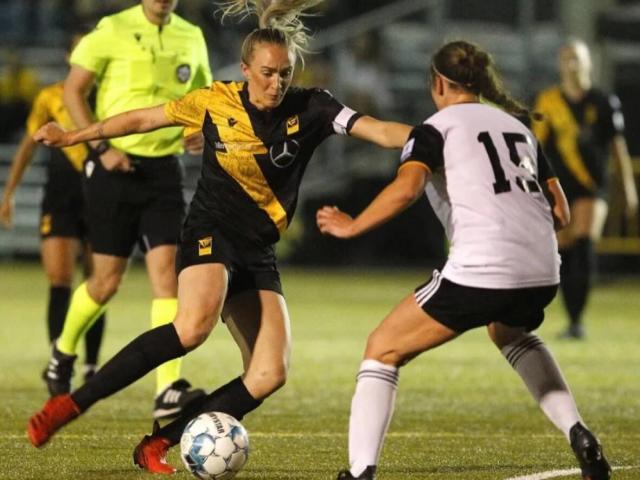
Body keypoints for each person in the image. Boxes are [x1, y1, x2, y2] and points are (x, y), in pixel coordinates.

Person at [26, 0, 412, 474]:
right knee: (192, 327)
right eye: (267, 73)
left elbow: (380, 130)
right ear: (246, 68)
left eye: (285, 74)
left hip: (258, 249)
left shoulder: (313, 106)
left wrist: (436, 136)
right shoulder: (215, 99)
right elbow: (144, 118)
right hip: (211, 231)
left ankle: (158, 443)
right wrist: (76, 137)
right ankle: (69, 405)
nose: (276, 84)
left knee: (270, 374)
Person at [316, 40, 612, 480]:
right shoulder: (519, 128)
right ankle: (580, 435)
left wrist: (352, 225)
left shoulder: (434, 130)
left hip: (483, 267)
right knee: (508, 331)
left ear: (437, 82)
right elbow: (562, 212)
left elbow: (407, 188)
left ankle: (360, 473)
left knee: (382, 349)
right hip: (544, 268)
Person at [41, 0, 213, 420]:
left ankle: (166, 389)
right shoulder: (111, 28)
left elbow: (203, 100)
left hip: (164, 173)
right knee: (105, 283)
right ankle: (62, 353)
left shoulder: (191, 35)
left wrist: (197, 132)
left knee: (167, 277)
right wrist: (100, 148)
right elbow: (72, 91)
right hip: (112, 170)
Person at [0, 33, 106, 385]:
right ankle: (57, 363)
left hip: (99, 192)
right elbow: (28, 147)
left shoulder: (109, 94)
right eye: (78, 48)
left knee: (97, 281)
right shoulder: (50, 97)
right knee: (59, 280)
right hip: (60, 194)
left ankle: (91, 364)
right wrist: (9, 193)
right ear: (69, 55)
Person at [532, 38, 638, 339]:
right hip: (559, 187)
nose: (572, 64)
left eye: (577, 58)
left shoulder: (604, 101)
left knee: (583, 244)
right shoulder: (548, 101)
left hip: (592, 185)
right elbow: (535, 145)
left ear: (588, 63)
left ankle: (578, 319)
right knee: (563, 251)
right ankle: (572, 319)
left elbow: (618, 147)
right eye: (567, 58)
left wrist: (627, 188)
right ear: (559, 63)